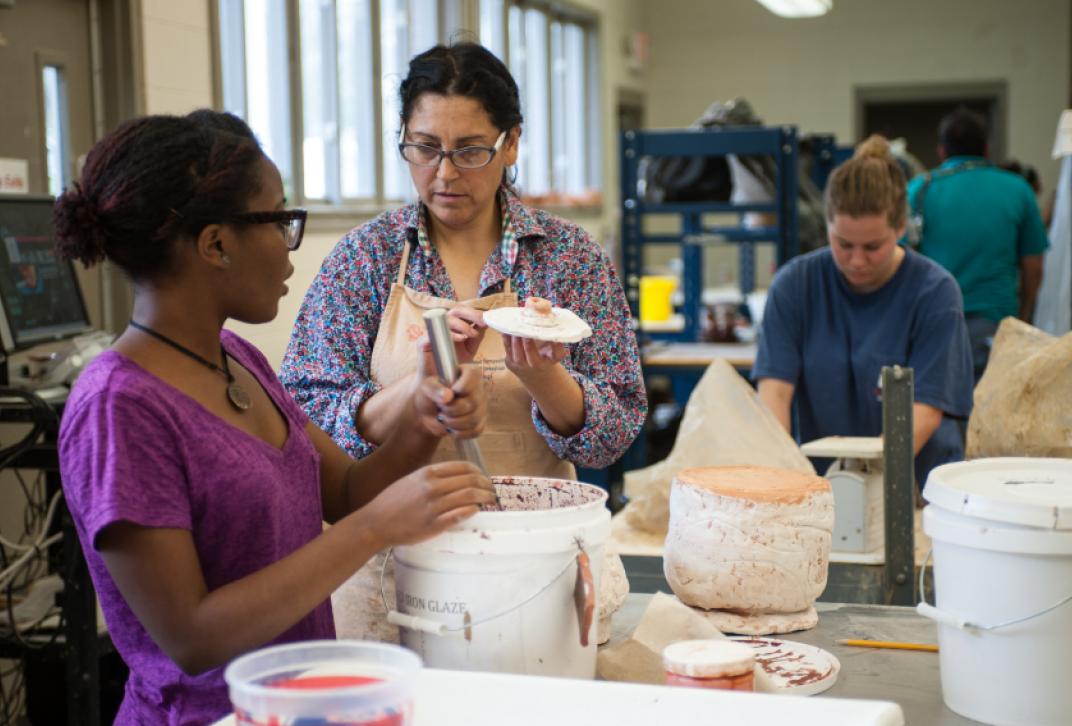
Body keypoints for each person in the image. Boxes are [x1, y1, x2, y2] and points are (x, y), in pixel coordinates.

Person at [53, 111, 495, 724]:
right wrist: (373, 530)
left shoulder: (238, 358)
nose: (292, 248)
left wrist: (422, 419)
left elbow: (344, 492)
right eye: (281, 220)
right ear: (215, 244)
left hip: (295, 705)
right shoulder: (120, 407)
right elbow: (192, 637)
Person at [280, 42, 645, 482]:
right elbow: (306, 424)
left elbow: (616, 433)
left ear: (510, 143)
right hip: (395, 538)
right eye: (425, 148)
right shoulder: (366, 258)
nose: (445, 174)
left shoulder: (568, 257)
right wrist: (415, 391)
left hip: (532, 535)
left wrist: (545, 377)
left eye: (470, 151)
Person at [754, 135, 974, 488]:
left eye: (873, 246)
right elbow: (774, 396)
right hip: (823, 488)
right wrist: (785, 481)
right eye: (843, 244)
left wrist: (867, 488)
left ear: (901, 227)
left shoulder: (935, 293)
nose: (857, 261)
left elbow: (926, 410)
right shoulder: (794, 286)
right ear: (827, 226)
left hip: (915, 489)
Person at [907, 107, 1049, 381]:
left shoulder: (920, 190)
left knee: (942, 415)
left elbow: (901, 258)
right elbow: (1034, 266)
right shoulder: (1018, 190)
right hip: (998, 328)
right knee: (994, 415)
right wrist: (1024, 314)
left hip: (935, 327)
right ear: (986, 148)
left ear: (941, 151)